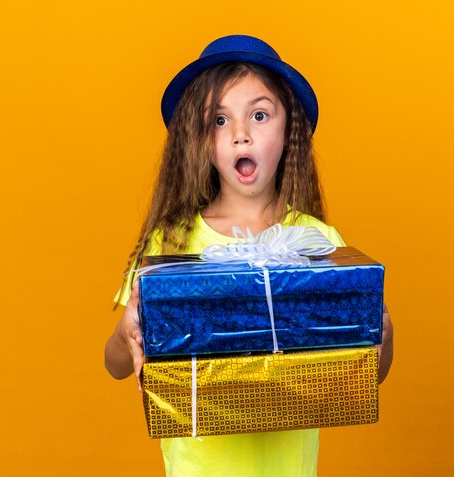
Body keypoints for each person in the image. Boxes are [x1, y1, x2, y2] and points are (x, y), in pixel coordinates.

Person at [104, 34, 394, 477]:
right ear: (198, 139)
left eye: (259, 115)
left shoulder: (317, 242)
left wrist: (382, 329)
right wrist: (128, 335)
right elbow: (115, 365)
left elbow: (369, 373)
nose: (240, 134)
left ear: (287, 130)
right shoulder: (171, 244)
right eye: (219, 121)